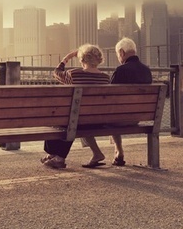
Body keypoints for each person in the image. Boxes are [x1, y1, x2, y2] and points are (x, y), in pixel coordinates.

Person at [82, 37, 152, 167]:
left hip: (119, 118)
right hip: (138, 117)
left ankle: (117, 151)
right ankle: (118, 152)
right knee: (117, 112)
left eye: (117, 55)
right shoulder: (147, 70)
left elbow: (109, 97)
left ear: (121, 52)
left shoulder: (121, 70)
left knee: (104, 115)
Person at [41, 44, 110, 169]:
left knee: (64, 121)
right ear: (99, 60)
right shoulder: (106, 78)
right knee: (75, 119)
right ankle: (56, 155)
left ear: (82, 59)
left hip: (79, 119)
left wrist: (67, 58)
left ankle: (57, 156)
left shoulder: (74, 74)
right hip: (99, 120)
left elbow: (56, 73)